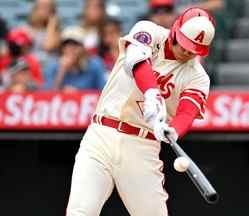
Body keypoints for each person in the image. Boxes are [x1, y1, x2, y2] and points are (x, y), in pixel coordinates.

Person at [66, 7, 215, 216]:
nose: (188, 53)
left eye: (194, 50)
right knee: (80, 212)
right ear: (175, 31)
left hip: (142, 146)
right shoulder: (149, 31)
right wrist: (152, 93)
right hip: (101, 135)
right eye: (185, 45)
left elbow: (187, 113)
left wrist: (173, 130)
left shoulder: (198, 77)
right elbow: (134, 62)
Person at [44, 26, 107, 91]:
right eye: (66, 44)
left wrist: (78, 94)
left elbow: (104, 92)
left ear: (83, 47)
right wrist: (61, 71)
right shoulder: (53, 67)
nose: (71, 48)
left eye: (75, 44)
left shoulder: (95, 64)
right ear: (62, 48)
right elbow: (46, 96)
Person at [22, 0, 61, 67]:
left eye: (48, 7)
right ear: (35, 9)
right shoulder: (25, 29)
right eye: (42, 7)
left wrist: (51, 24)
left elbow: (48, 46)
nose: (45, 10)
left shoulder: (56, 31)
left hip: (50, 68)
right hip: (32, 67)